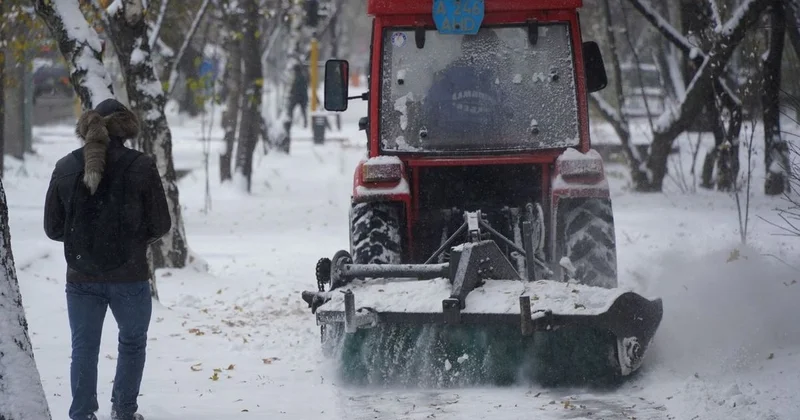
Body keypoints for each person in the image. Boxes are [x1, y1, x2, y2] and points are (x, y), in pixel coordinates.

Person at [44, 98, 171, 420]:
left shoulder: (64, 167)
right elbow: (161, 224)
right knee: (132, 343)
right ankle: (124, 411)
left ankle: (83, 413)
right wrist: (130, 241)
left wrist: (85, 242)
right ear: (125, 128)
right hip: (130, 277)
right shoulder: (141, 165)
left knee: (83, 349)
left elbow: (53, 227)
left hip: (81, 277)